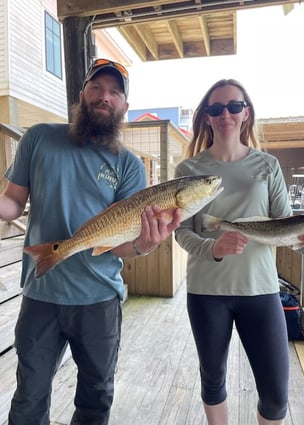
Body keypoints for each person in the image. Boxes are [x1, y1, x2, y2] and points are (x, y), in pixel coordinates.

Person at [0, 58, 181, 425]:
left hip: (98, 298)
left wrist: (145, 244)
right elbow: (13, 202)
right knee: (29, 397)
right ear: (82, 94)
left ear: (124, 107)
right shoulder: (39, 138)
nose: (104, 97)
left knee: (96, 397)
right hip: (41, 291)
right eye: (97, 88)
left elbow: (120, 243)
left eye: (115, 92)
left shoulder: (128, 165)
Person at [174, 78, 304, 425]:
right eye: (215, 108)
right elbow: (181, 232)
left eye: (234, 106)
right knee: (212, 381)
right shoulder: (188, 171)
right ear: (206, 117)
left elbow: (285, 228)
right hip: (207, 292)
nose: (225, 113)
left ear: (246, 113)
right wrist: (214, 248)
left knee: (275, 395)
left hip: (261, 290)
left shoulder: (267, 166)